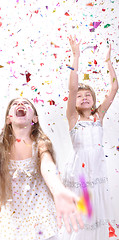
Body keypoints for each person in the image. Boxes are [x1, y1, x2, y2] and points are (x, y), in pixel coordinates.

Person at [0, 97, 83, 240]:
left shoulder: (41, 143)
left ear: (35, 119)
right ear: (8, 119)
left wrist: (58, 189)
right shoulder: (0, 147)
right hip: (13, 221)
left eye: (26, 103)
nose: (20, 103)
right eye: (14, 103)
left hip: (41, 217)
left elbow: (47, 166)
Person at [63, 35, 118, 240]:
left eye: (88, 96)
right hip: (80, 170)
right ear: (75, 102)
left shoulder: (98, 116)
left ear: (94, 100)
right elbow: (72, 87)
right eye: (80, 96)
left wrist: (108, 63)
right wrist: (75, 56)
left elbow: (113, 90)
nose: (84, 97)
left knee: (96, 211)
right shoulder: (72, 118)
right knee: (82, 211)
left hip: (97, 168)